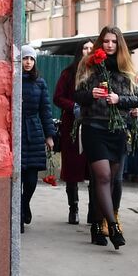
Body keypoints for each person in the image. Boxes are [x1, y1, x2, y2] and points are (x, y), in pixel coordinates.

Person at [73, 26, 138, 249]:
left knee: (109, 180)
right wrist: (90, 95)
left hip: (118, 128)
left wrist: (119, 99)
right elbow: (76, 94)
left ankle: (97, 224)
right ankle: (112, 226)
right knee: (102, 176)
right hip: (94, 126)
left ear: (119, 44)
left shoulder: (126, 67)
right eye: (106, 41)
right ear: (100, 43)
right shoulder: (88, 65)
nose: (110, 45)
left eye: (113, 41)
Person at [53, 40, 95, 225]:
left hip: (94, 124)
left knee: (94, 169)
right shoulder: (69, 73)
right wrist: (73, 106)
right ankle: (74, 207)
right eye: (85, 48)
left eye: (92, 48)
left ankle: (94, 210)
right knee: (72, 168)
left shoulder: (100, 72)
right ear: (80, 51)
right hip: (72, 126)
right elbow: (58, 97)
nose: (88, 51)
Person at [19, 46, 56, 233]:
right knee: (18, 177)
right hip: (16, 130)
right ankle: (18, 216)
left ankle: (25, 203)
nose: (28, 62)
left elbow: (45, 110)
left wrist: (49, 135)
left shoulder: (39, 82)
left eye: (31, 59)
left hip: (33, 131)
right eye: (25, 58)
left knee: (31, 179)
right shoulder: (13, 79)